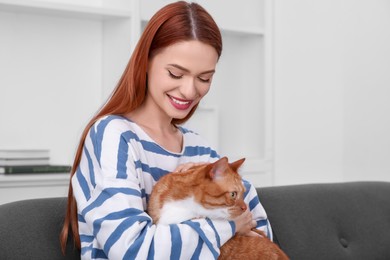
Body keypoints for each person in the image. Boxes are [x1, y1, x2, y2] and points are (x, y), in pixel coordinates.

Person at [60, 1, 272, 259]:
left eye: (204, 78)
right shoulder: (113, 135)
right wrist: (228, 227)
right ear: (146, 62)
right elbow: (133, 249)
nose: (190, 91)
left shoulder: (198, 147)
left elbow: (259, 231)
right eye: (175, 73)